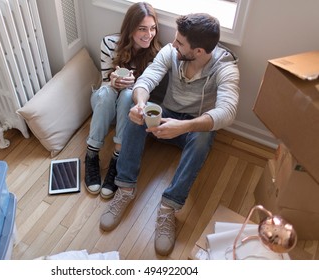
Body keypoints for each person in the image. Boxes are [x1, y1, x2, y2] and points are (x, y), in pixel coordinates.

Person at [99, 13, 240, 256]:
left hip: (191, 126)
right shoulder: (170, 52)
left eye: (179, 43)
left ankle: (168, 207)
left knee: (205, 137)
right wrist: (140, 104)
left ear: (197, 51)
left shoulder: (226, 68)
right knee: (136, 114)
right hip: (164, 117)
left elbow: (228, 112)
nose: (172, 45)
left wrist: (184, 126)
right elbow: (146, 80)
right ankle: (125, 188)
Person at [85, 2, 161, 199]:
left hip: (129, 108)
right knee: (107, 93)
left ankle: (116, 159)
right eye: (142, 29)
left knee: (128, 95)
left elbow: (145, 94)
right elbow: (104, 83)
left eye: (152, 28)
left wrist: (132, 85)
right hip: (104, 103)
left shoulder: (155, 54)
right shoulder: (109, 43)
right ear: (130, 28)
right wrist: (113, 82)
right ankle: (92, 154)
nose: (149, 34)